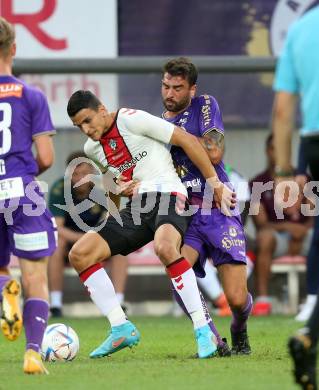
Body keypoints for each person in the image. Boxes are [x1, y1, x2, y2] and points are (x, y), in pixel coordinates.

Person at [66, 90, 235, 359]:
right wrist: (114, 208)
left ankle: (204, 332)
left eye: (87, 121)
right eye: (79, 126)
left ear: (102, 109)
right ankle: (120, 327)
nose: (86, 130)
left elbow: (186, 139)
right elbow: (113, 179)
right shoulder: (91, 148)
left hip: (170, 194)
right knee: (79, 254)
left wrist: (215, 183)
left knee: (165, 247)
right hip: (137, 206)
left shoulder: (131, 119)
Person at [161, 57, 252, 354]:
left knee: (237, 299)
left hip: (218, 208)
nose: (169, 93)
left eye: (177, 87)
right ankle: (213, 337)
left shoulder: (204, 105)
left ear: (191, 89)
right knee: (178, 273)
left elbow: (213, 152)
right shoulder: (157, 125)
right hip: (186, 214)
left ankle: (239, 329)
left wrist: (179, 138)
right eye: (165, 86)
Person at [0, 17, 57, 374]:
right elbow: (48, 157)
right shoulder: (31, 95)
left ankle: (6, 286)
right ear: (14, 50)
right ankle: (33, 353)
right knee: (36, 274)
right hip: (23, 192)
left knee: (3, 269)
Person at [272, 5, 319, 388]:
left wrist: (285, 172)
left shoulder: (301, 30)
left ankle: (309, 336)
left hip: (314, 143)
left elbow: (283, 109)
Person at [48, 151, 128, 317]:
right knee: (56, 245)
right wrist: (84, 239)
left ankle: (118, 301)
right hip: (71, 239)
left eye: (84, 173)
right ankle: (55, 305)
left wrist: (93, 238)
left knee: (120, 249)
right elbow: (58, 227)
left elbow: (112, 219)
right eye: (75, 174)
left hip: (97, 237)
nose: (80, 179)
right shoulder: (59, 188)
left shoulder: (102, 189)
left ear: (92, 172)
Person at [250, 134, 313, 316]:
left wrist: (303, 230)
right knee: (265, 238)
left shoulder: (304, 179)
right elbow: (261, 224)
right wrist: (288, 228)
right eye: (272, 148)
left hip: (305, 235)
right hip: (277, 239)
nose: (276, 153)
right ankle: (263, 300)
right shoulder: (257, 183)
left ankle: (312, 297)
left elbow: (313, 215)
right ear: (267, 151)